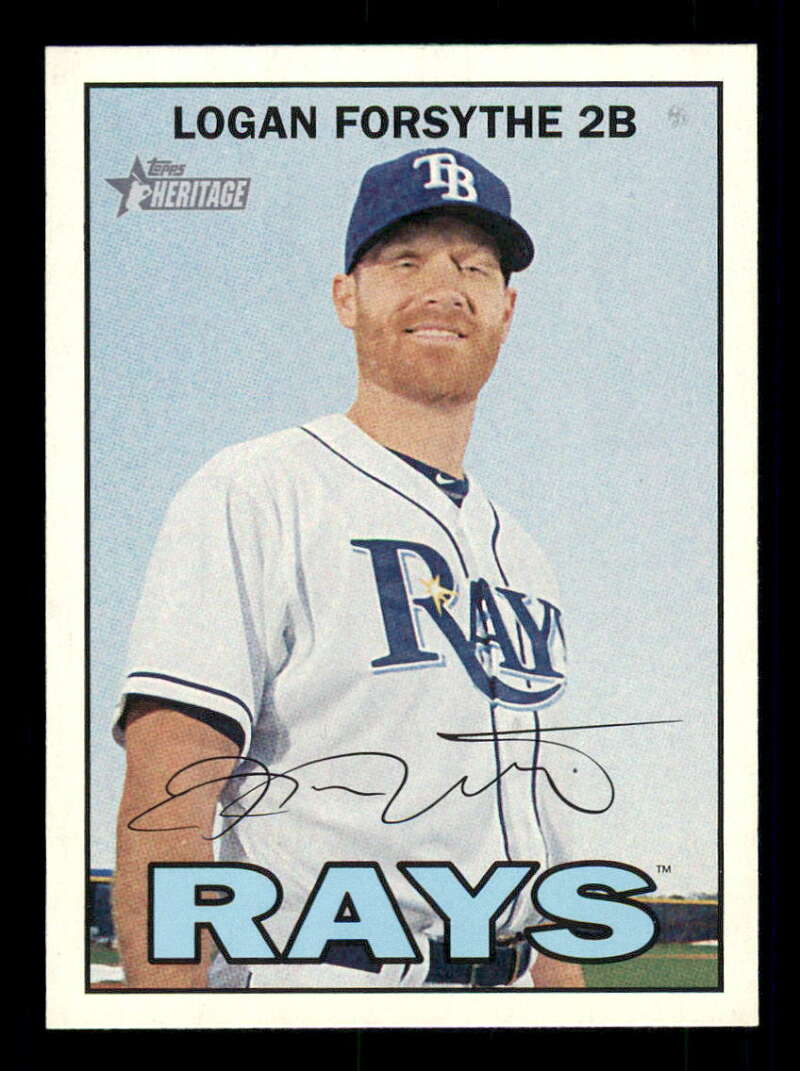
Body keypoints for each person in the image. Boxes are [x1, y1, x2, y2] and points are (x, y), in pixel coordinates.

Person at [113, 147, 585, 990]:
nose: (444, 287)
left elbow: (544, 842)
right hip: (318, 977)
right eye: (405, 260)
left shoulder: (524, 555)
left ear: (506, 310)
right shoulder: (257, 488)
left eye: (474, 267)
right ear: (346, 298)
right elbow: (168, 789)